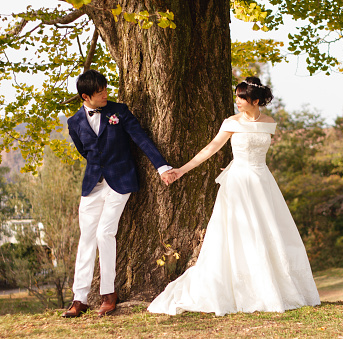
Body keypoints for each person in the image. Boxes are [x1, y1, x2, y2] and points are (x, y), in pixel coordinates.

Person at [148, 77, 320, 316]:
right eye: (237, 96)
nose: (237, 101)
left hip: (262, 182)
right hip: (238, 183)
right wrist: (182, 170)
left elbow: (258, 151)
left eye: (242, 97)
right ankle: (240, 289)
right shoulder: (231, 122)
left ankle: (273, 288)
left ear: (256, 100)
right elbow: (210, 149)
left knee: (269, 232)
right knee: (239, 235)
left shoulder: (270, 123)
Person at [62, 70, 175, 318]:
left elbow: (141, 139)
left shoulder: (119, 111)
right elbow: (85, 151)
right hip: (93, 185)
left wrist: (162, 167)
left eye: (105, 89)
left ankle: (108, 294)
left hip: (120, 181)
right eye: (99, 92)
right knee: (86, 240)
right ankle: (79, 298)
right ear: (85, 96)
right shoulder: (74, 122)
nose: (105, 94)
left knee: (105, 233)